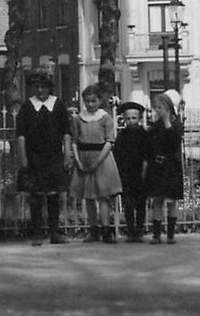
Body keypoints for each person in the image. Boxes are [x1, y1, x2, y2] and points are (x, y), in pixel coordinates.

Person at [15, 71, 72, 246]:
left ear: (50, 88)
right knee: (36, 195)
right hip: (34, 157)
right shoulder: (27, 106)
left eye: (44, 87)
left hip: (54, 156)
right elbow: (21, 135)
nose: (40, 90)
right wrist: (23, 157)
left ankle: (54, 232)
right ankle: (37, 233)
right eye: (37, 87)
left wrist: (67, 154)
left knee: (54, 194)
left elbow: (66, 132)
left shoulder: (58, 105)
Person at [70, 85, 122, 244]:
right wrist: (78, 160)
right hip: (84, 158)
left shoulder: (105, 118)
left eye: (94, 101)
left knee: (103, 196)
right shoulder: (78, 118)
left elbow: (109, 141)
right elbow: (74, 141)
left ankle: (106, 229)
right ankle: (93, 230)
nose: (90, 104)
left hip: (102, 158)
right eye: (87, 101)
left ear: (100, 101)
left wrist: (98, 160)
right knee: (89, 197)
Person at [146, 91, 184, 244]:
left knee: (171, 201)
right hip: (157, 166)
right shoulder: (155, 126)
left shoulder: (176, 124)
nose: (157, 111)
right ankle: (156, 234)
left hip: (171, 166)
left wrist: (168, 122)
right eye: (156, 108)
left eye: (160, 107)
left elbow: (174, 143)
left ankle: (171, 234)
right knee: (157, 200)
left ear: (168, 108)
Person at [114, 101, 149, 243]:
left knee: (141, 203)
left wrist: (145, 170)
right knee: (128, 204)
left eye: (134, 118)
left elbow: (148, 154)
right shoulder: (122, 135)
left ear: (139, 118)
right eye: (128, 118)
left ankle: (140, 229)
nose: (131, 121)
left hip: (141, 172)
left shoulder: (144, 135)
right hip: (126, 173)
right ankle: (130, 229)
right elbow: (117, 154)